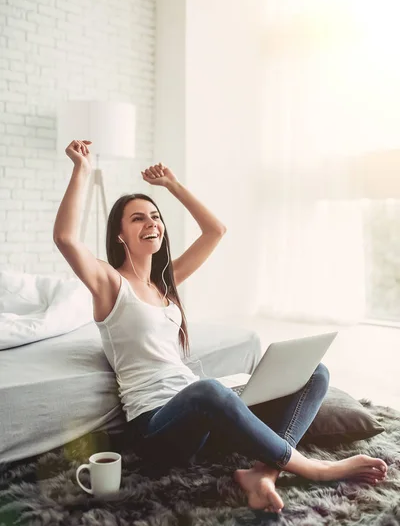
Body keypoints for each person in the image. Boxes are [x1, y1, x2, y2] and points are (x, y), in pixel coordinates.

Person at [54, 139, 388, 514]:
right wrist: (81, 169)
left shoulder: (165, 284)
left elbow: (216, 230)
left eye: (155, 216)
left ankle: (263, 474)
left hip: (203, 420)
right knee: (207, 391)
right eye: (138, 218)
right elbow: (65, 238)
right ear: (119, 235)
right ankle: (310, 467)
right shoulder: (110, 284)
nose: (151, 223)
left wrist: (173, 185)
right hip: (157, 427)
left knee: (315, 372)